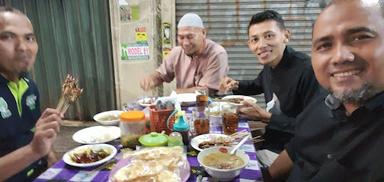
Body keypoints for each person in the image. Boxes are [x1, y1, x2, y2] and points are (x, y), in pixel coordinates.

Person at [266, 0, 384, 181]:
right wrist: (263, 177)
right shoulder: (323, 102)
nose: (339, 57)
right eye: (324, 45)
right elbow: (296, 148)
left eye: (360, 37)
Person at [219, 10, 319, 165]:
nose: (262, 45)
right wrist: (236, 84)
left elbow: (313, 129)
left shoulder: (307, 70)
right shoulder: (271, 64)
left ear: (286, 35)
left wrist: (265, 117)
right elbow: (258, 84)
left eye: (269, 36)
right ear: (249, 44)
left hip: (293, 154)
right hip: (270, 141)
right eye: (255, 39)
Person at [0, 7, 62, 181]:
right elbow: (34, 149)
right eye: (8, 36)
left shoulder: (29, 86)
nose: (23, 47)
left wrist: (50, 156)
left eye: (29, 38)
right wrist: (33, 151)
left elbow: (34, 133)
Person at [140, 13, 229, 95]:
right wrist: (151, 79)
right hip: (183, 109)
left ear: (203, 33)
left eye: (190, 37)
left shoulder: (217, 54)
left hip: (211, 108)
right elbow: (161, 75)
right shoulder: (177, 52)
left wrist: (176, 93)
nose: (185, 43)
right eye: (181, 37)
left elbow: (208, 90)